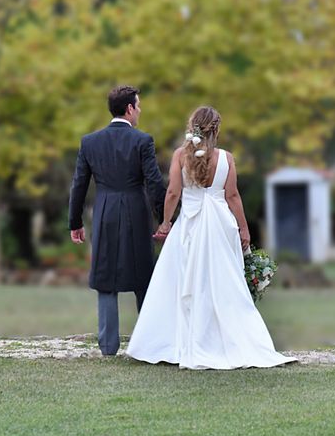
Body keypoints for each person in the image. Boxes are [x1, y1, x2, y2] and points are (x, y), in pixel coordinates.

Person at [126, 106, 296, 369]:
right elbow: (232, 196)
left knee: (183, 281)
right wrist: (244, 228)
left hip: (190, 226)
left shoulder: (180, 156)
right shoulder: (227, 158)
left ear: (192, 126)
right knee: (223, 281)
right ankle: (229, 340)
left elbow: (172, 192)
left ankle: (176, 341)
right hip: (219, 225)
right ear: (216, 129)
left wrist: (166, 222)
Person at [68, 85, 166, 356]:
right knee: (143, 274)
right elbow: (155, 183)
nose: (141, 110)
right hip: (136, 209)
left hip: (105, 212)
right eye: (139, 105)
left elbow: (79, 185)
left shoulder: (90, 142)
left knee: (105, 274)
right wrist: (165, 219)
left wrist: (74, 222)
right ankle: (149, 343)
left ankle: (108, 346)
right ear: (129, 109)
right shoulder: (142, 141)